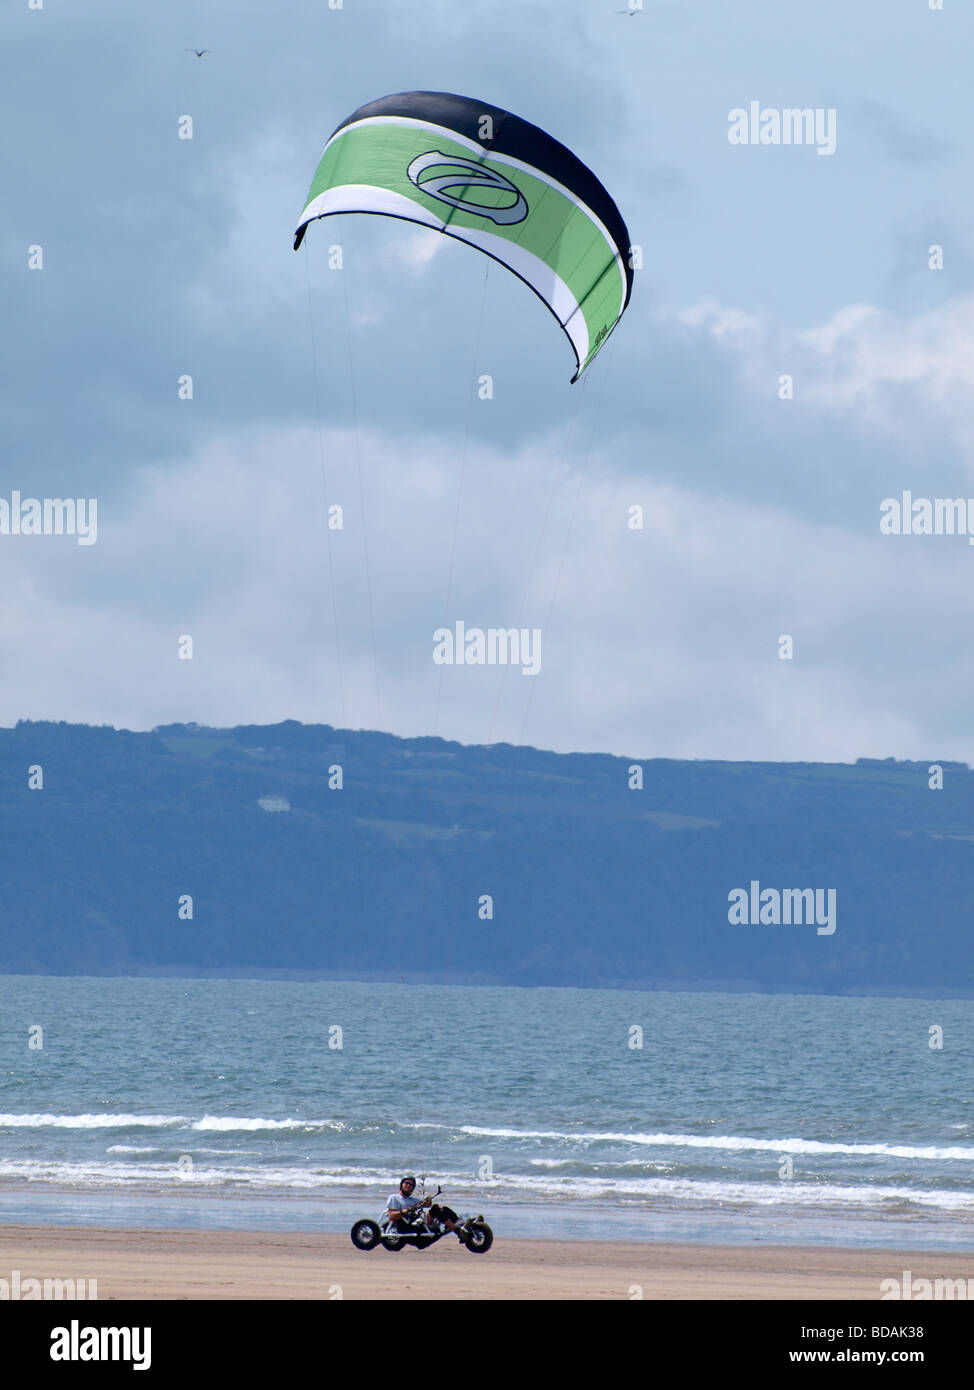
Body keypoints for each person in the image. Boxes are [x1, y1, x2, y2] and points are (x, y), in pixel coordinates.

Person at [386, 1176, 462, 1236]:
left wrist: (429, 1199)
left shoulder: (413, 1200)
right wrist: (407, 1211)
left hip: (421, 1220)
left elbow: (428, 1205)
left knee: (443, 1209)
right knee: (435, 1209)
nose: (408, 1185)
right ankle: (457, 1231)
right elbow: (392, 1216)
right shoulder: (394, 1197)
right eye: (406, 1183)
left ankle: (460, 1224)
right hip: (409, 1223)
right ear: (402, 1184)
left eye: (411, 1185)